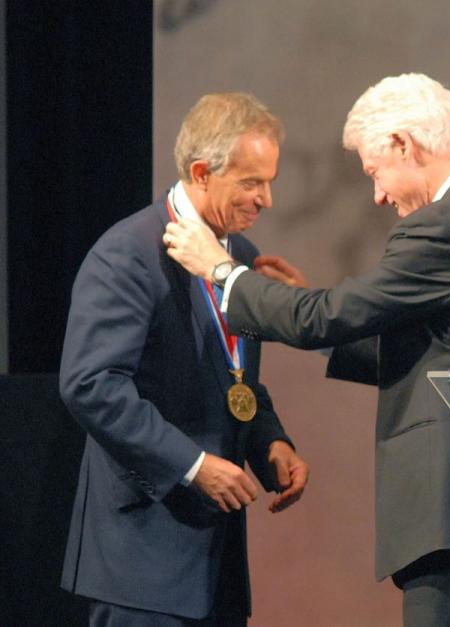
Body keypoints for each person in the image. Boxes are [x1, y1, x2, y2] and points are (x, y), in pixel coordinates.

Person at [164, 73, 450, 626]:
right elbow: (440, 351)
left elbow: (324, 316)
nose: (379, 194)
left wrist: (222, 271)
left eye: (375, 172)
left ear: (404, 145)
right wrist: (316, 326)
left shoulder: (445, 225)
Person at [59, 92, 309, 627]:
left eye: (270, 181)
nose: (266, 199)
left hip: (213, 564)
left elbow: (235, 377)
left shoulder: (236, 255)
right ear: (201, 172)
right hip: (140, 561)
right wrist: (192, 466)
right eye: (251, 182)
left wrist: (271, 443)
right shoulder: (127, 252)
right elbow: (91, 384)